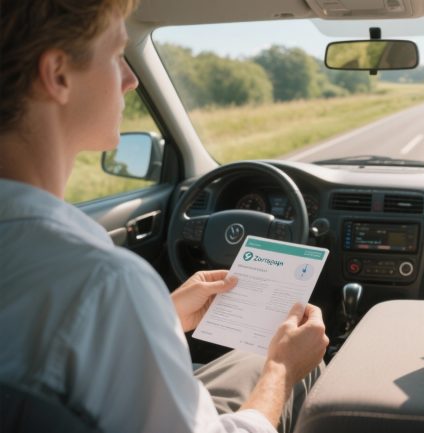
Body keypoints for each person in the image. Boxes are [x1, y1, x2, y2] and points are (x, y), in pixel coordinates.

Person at [0, 1, 328, 432]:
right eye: (117, 54)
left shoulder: (76, 282)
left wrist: (161, 316)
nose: (131, 79)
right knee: (281, 365)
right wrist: (282, 372)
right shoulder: (103, 282)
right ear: (58, 74)